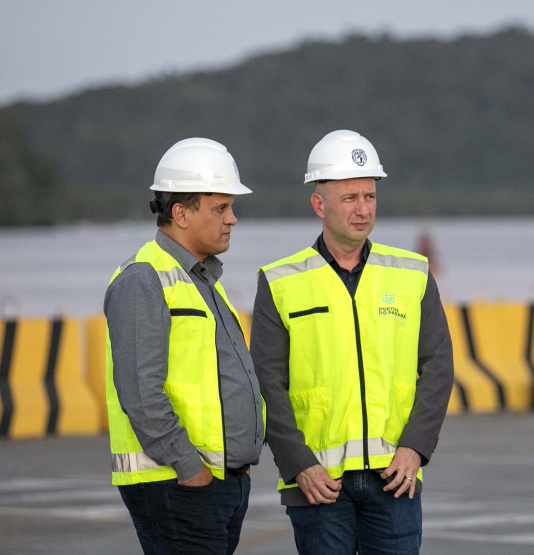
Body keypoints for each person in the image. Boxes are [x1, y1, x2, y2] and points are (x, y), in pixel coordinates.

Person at [251, 129, 454, 554]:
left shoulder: (412, 274)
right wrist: (297, 465)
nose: (363, 209)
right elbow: (266, 383)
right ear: (319, 204)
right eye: (349, 199)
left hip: (395, 479)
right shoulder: (281, 282)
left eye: (370, 196)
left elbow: (438, 366)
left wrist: (415, 448)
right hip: (318, 484)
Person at [104, 138, 265, 554]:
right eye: (220, 209)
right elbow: (140, 391)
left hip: (217, 483)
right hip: (177, 484)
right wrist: (189, 468)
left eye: (231, 208)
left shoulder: (201, 279)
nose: (232, 219)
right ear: (180, 212)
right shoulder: (145, 279)